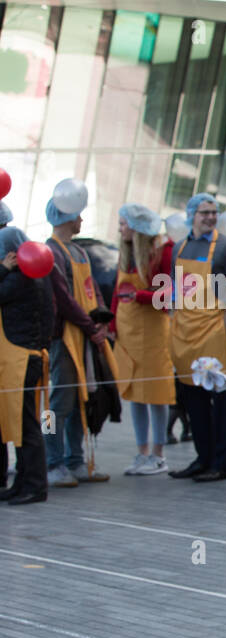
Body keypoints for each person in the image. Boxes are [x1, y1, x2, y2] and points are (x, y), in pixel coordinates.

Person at [167, 192, 226, 481]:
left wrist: (220, 330)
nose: (211, 217)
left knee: (219, 399)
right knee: (192, 397)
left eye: (214, 212)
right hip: (185, 332)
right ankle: (202, 458)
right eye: (205, 213)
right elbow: (175, 291)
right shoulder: (180, 247)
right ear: (192, 215)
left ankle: (222, 464)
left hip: (213, 332)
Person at [44, 196, 110, 487]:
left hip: (82, 334)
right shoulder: (52, 252)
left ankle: (75, 459)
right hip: (63, 338)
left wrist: (99, 321)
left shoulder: (78, 252)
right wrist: (90, 326)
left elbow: (90, 289)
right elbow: (63, 297)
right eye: (78, 215)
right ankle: (52, 461)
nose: (82, 220)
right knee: (55, 403)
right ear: (67, 217)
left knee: (79, 400)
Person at [113, 203, 174, 476]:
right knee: (135, 394)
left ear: (137, 227)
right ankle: (142, 452)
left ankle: (158, 456)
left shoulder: (163, 252)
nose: (120, 228)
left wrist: (139, 297)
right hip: (127, 333)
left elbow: (169, 295)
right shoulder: (126, 255)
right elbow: (117, 293)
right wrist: (113, 324)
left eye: (123, 223)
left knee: (156, 393)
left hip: (152, 332)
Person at [0, 226, 53, 505]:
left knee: (26, 425)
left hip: (21, 357)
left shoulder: (19, 276)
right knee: (19, 423)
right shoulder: (35, 273)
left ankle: (34, 485)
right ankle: (22, 481)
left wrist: (2, 269)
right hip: (27, 355)